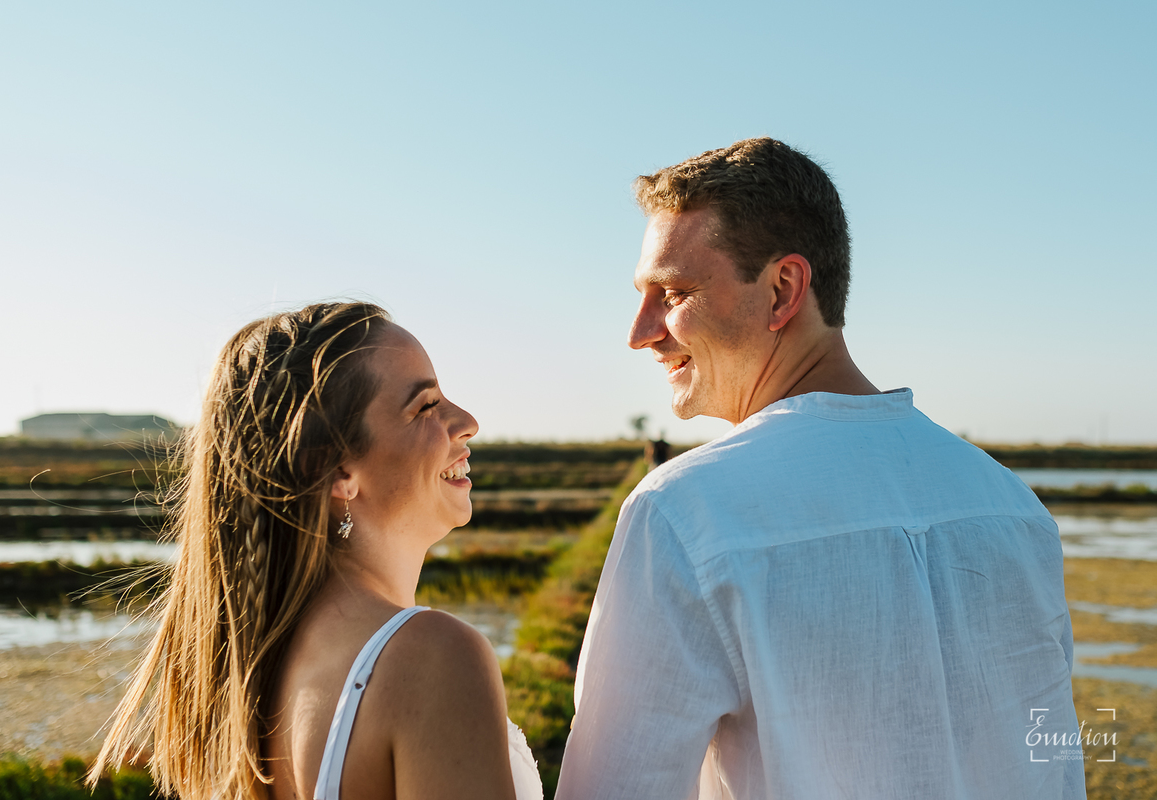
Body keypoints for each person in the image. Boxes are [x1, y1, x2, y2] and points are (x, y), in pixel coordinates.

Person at [556, 139, 1084, 799]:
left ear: (782, 290)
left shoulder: (687, 515)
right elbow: (1056, 768)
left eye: (673, 292)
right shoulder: (1014, 507)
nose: (641, 331)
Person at [92, 302, 542, 800]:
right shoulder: (432, 658)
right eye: (425, 406)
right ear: (335, 471)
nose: (468, 421)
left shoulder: (250, 676)